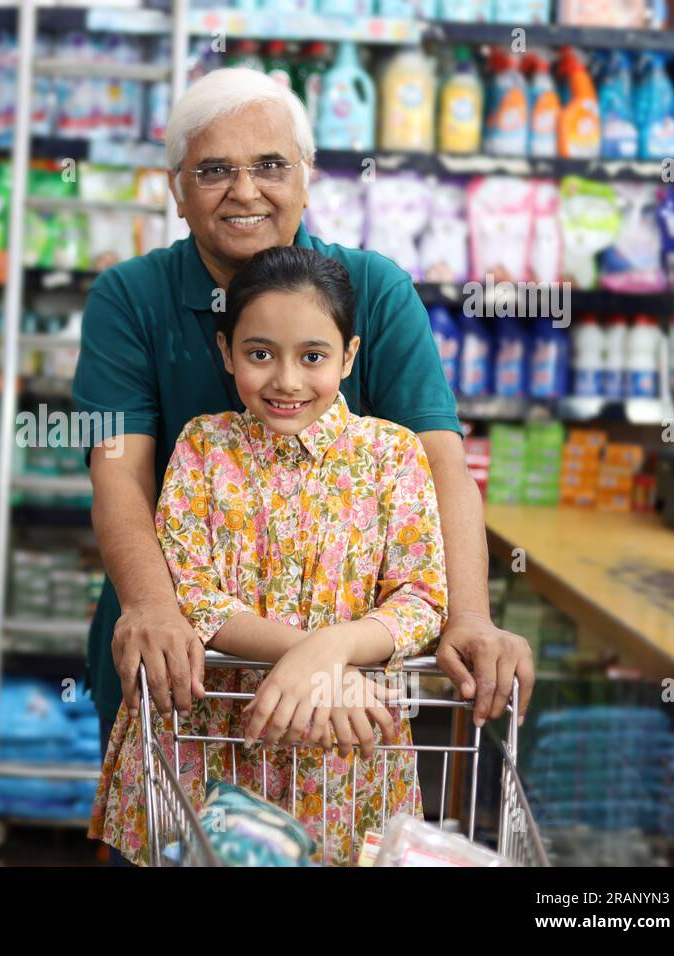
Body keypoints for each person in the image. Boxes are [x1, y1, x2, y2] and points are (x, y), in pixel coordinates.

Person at [71, 69, 534, 778]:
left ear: (308, 176)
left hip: (347, 680)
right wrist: (152, 606)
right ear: (175, 187)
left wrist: (469, 617)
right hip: (185, 655)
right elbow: (118, 470)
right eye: (214, 170)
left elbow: (443, 462)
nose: (246, 190)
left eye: (271, 165)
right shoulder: (130, 297)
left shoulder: (374, 290)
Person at [89, 245, 447, 865]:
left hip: (342, 756)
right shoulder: (203, 447)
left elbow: (423, 598)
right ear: (226, 353)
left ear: (350, 355)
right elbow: (190, 597)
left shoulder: (395, 455)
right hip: (210, 742)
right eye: (260, 354)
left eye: (313, 356)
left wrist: (335, 651)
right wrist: (316, 659)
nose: (286, 380)